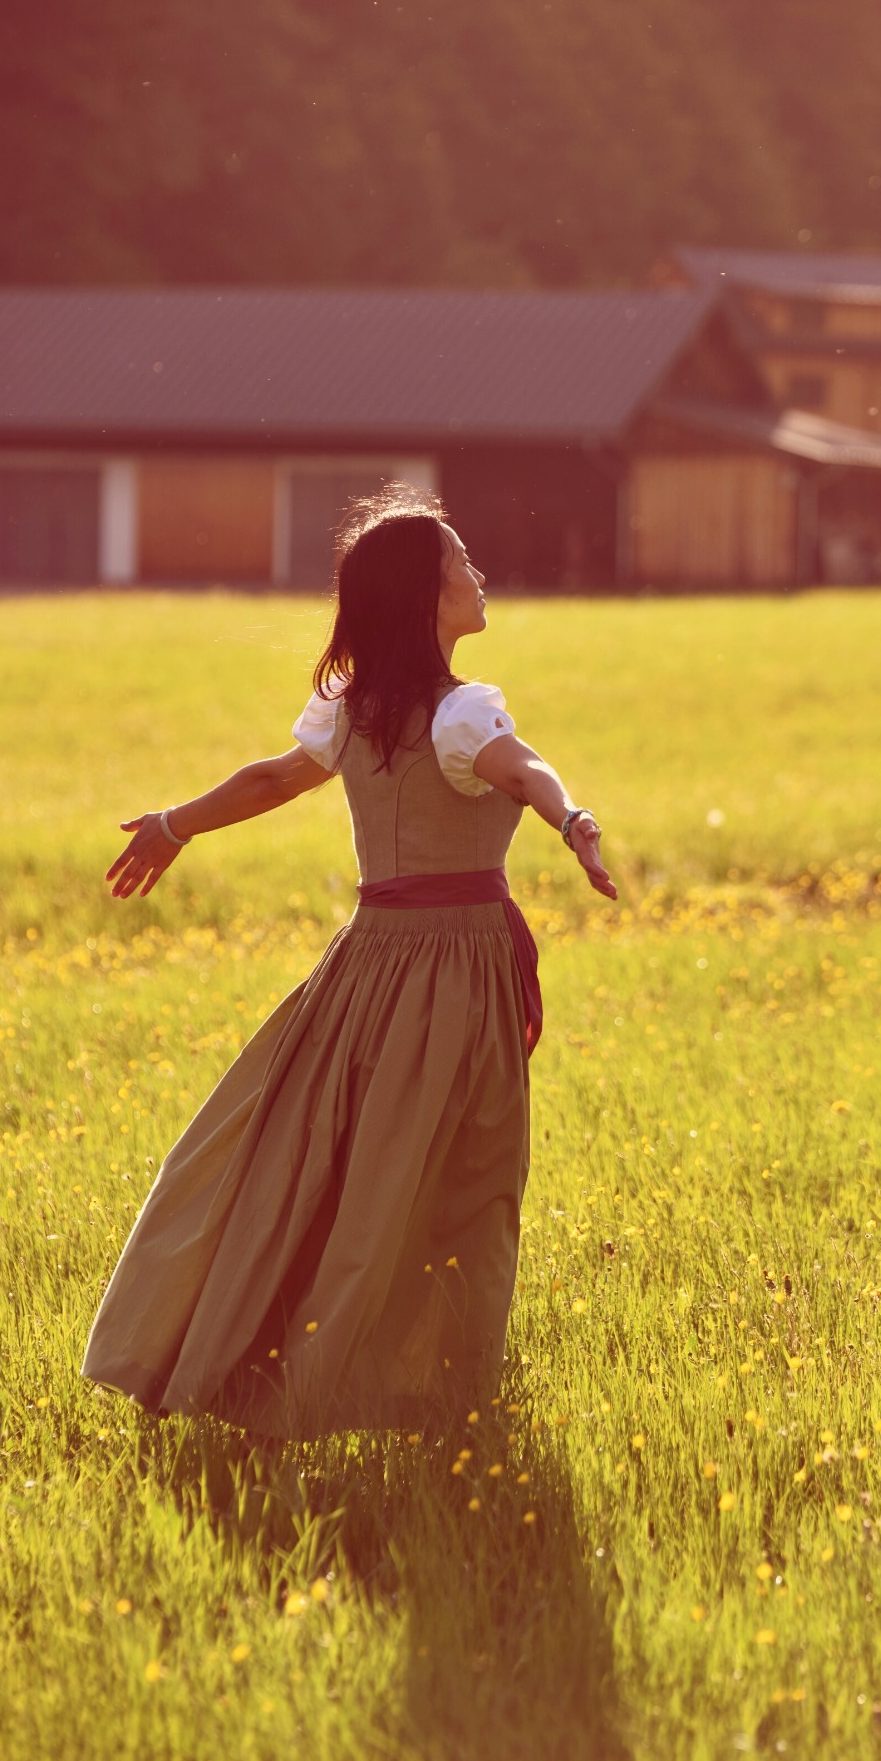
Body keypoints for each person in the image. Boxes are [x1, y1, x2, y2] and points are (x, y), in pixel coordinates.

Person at [80, 487, 616, 1440]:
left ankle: (313, 1362)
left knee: (319, 1158)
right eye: (460, 562)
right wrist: (570, 819)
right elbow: (523, 769)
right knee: (461, 1171)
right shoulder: (460, 715)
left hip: (365, 969)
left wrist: (175, 824)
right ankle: (408, 1386)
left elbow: (275, 778)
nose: (477, 574)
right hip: (449, 968)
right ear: (425, 594)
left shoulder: (357, 709)